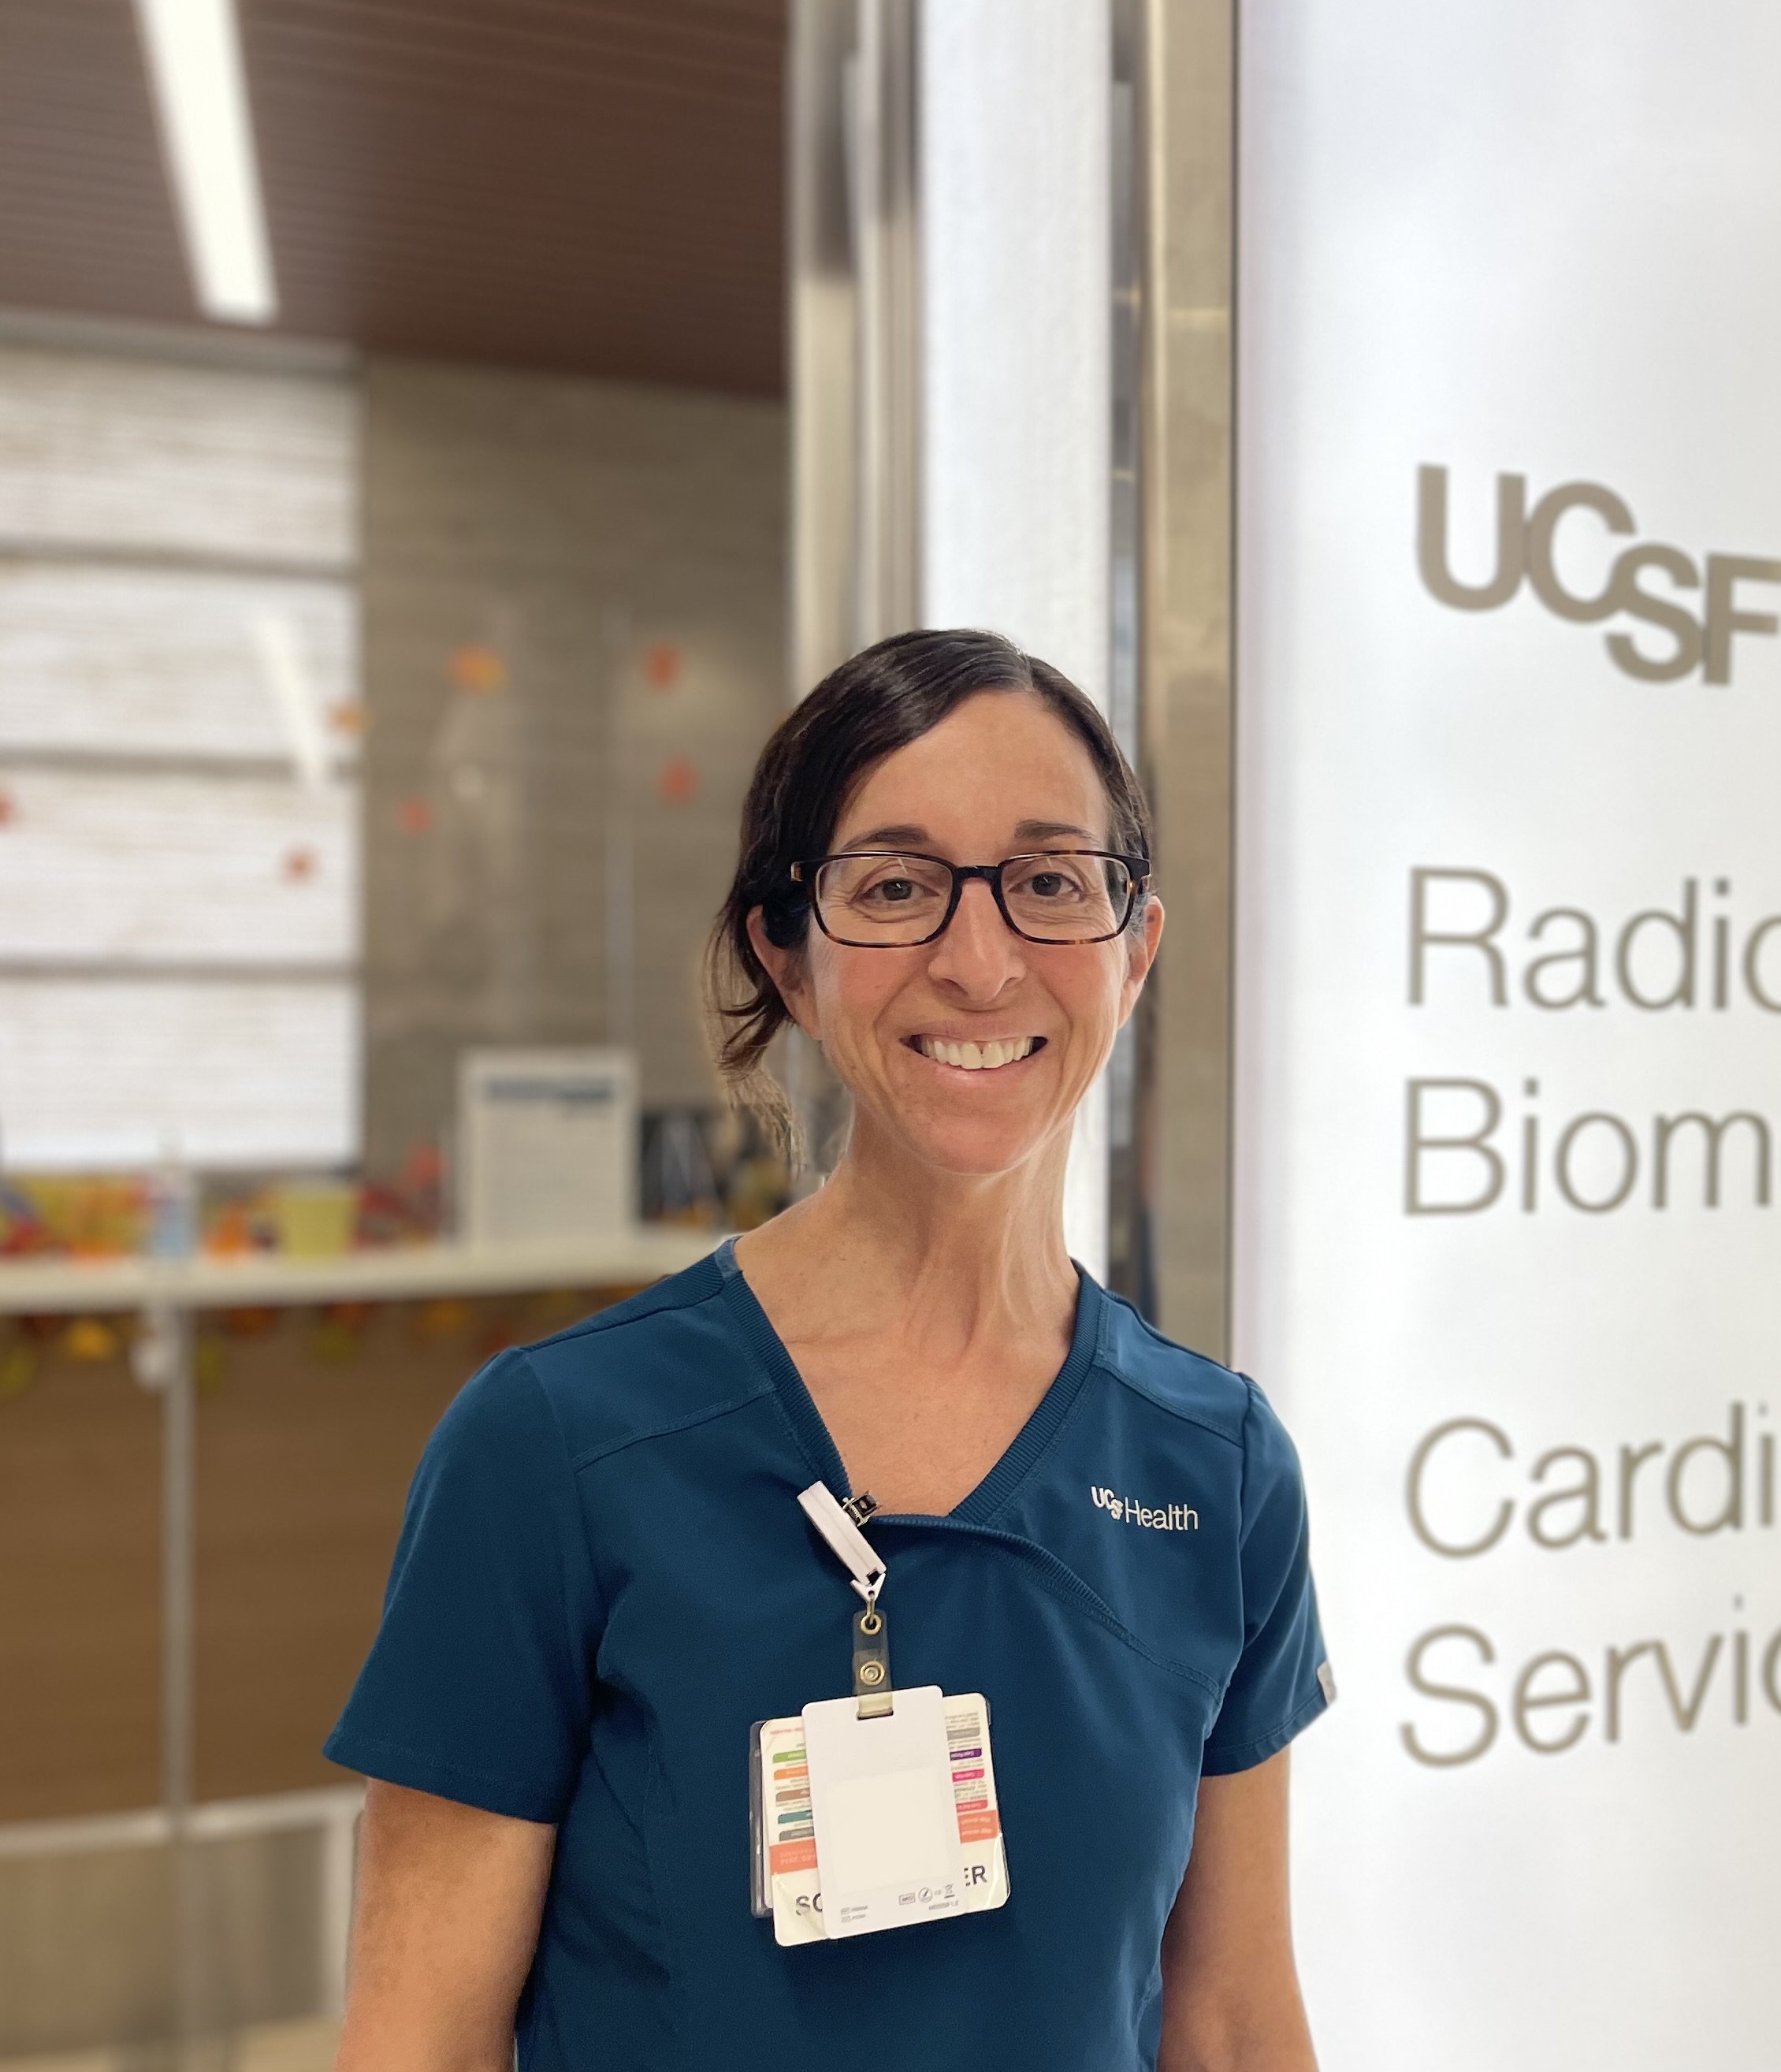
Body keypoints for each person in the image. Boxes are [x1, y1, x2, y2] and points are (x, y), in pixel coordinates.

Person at [326, 630, 1329, 2071]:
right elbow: (419, 2044)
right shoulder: (560, 1446)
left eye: (1051, 883)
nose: (980, 963)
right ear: (785, 957)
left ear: (1136, 949)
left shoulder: (1217, 1465)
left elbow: (1229, 2021)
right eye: (897, 889)